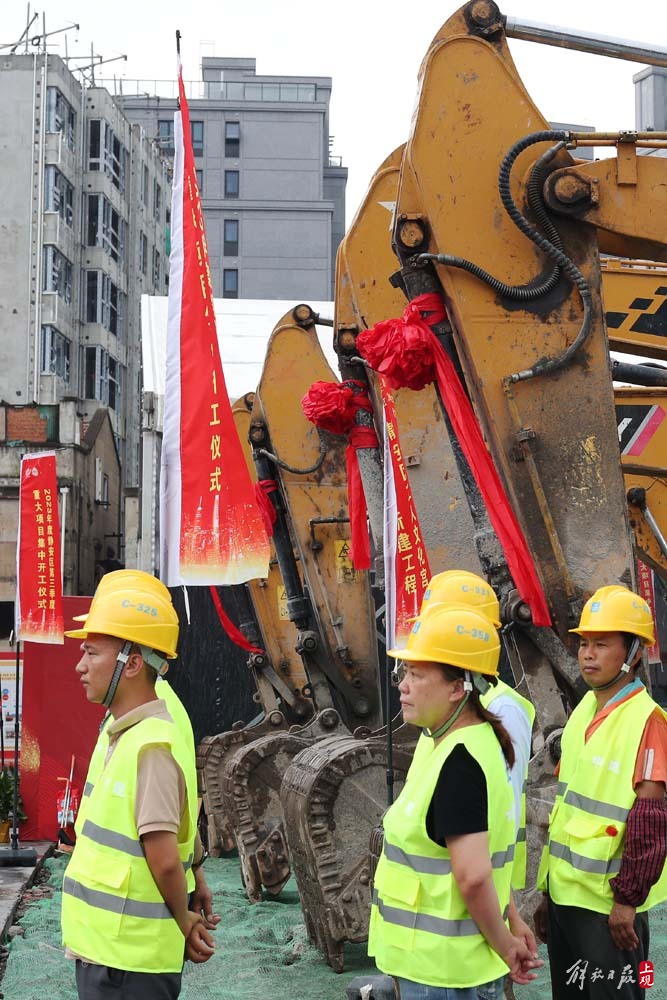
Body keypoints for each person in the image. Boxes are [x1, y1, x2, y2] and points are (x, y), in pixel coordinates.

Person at [369, 603, 542, 999]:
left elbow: (475, 876)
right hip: (435, 969)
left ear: (457, 687)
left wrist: (505, 945)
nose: (403, 685)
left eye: (416, 674)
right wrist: (510, 924)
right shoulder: (463, 744)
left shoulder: (461, 762)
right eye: (403, 672)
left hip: (444, 976)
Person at [62, 572, 216, 1000]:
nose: (79, 664)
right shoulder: (123, 729)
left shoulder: (151, 741)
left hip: (128, 964)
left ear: (131, 663)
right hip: (109, 952)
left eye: (91, 652)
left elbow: (165, 857)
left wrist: (185, 917)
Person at [534, 585, 667, 999]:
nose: (587, 653)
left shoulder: (648, 720)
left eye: (601, 644)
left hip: (609, 910)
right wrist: (547, 894)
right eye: (584, 643)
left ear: (633, 654)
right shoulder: (584, 712)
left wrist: (627, 901)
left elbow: (651, 822)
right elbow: (566, 809)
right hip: (565, 899)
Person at [405, 570, 535, 888]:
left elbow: (504, 808)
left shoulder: (503, 707)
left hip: (481, 885)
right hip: (441, 884)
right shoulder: (441, 713)